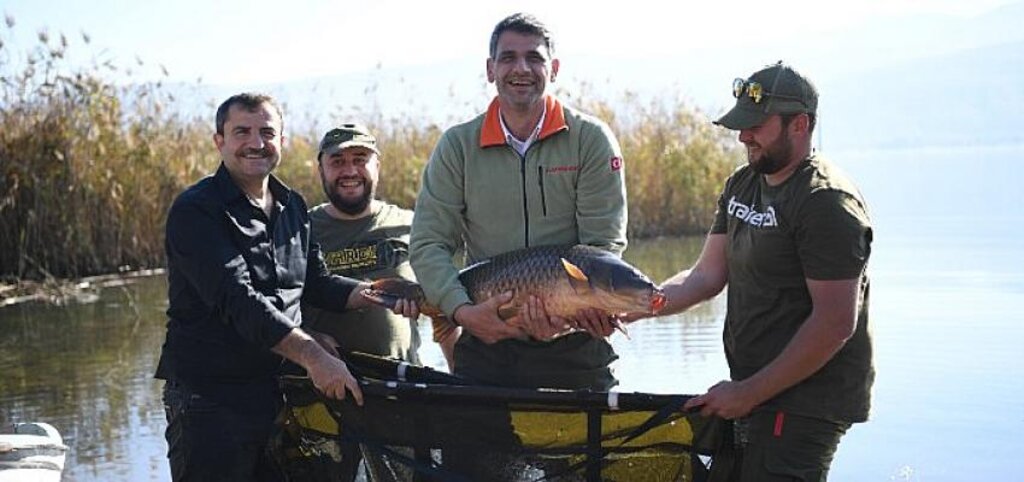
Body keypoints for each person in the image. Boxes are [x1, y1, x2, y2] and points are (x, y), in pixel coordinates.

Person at [155, 93, 416, 482]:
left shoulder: (292, 205)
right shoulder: (197, 210)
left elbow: (316, 283)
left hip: (277, 397)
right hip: (208, 402)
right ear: (219, 141)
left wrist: (378, 294)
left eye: (267, 132)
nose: (256, 143)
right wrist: (312, 354)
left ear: (283, 141)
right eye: (242, 131)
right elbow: (238, 299)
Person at [639, 62, 874, 480]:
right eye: (741, 125)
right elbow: (705, 277)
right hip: (755, 391)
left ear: (799, 125)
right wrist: (633, 304)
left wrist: (747, 394)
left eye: (756, 126)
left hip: (806, 402)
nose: (743, 135)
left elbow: (835, 323)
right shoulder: (743, 183)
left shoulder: (827, 203)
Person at [410, 12, 628, 392]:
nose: (521, 68)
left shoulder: (591, 139)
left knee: (591, 452)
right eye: (508, 58)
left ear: (554, 69)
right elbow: (429, 243)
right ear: (491, 69)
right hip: (486, 344)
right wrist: (462, 312)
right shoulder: (457, 146)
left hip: (577, 348)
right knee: (472, 450)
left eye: (535, 58)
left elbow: (603, 248)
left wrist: (572, 315)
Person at [292, 123, 456, 481]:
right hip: (323, 401)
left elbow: (449, 311)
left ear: (377, 166)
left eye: (360, 159)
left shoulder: (412, 226)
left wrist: (462, 376)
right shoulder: (299, 231)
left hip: (401, 395)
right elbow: (273, 311)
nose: (349, 171)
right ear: (321, 169)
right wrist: (309, 339)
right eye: (337, 161)